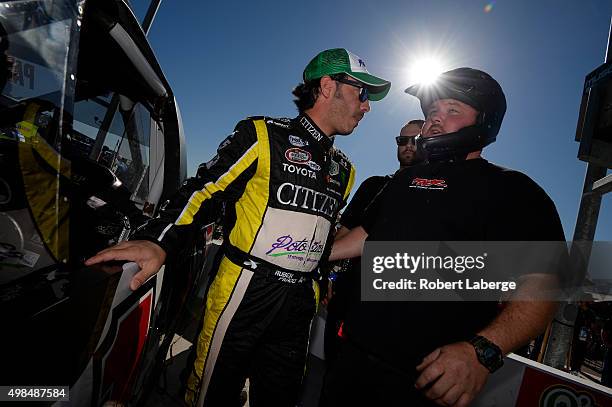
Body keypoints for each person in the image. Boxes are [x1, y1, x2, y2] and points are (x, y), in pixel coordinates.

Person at [85, 48, 390, 407]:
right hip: (246, 286)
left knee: (282, 397)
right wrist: (158, 241)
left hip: (300, 301)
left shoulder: (345, 168)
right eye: (362, 93)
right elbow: (203, 191)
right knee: (211, 392)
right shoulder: (262, 134)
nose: (366, 106)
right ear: (327, 86)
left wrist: (320, 277)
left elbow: (321, 234)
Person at [319, 67, 565, 407]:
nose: (435, 119)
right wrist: (308, 252)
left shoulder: (513, 190)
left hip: (428, 379)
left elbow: (544, 284)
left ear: (484, 121)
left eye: (452, 110)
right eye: (432, 111)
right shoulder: (404, 181)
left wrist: (482, 352)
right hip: (352, 360)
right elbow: (366, 236)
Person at [324, 118, 424, 362]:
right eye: (402, 140)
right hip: (348, 301)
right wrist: (326, 274)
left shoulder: (437, 194)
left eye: (416, 140)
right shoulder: (374, 185)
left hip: (399, 315)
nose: (408, 145)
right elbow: (345, 235)